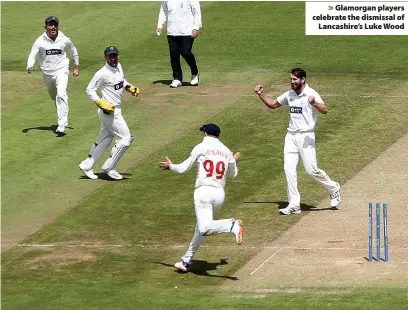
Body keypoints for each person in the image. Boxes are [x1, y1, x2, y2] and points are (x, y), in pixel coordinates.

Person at [254, 68, 341, 215]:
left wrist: (314, 104)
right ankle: (294, 204)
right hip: (291, 136)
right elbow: (274, 104)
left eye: (295, 79)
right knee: (289, 170)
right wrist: (260, 94)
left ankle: (333, 188)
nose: (292, 82)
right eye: (291, 79)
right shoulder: (290, 94)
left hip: (306, 136)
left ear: (303, 80)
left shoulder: (311, 94)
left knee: (311, 170)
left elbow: (325, 110)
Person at [158, 123, 243, 272]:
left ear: (205, 134)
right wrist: (232, 161)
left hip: (203, 192)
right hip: (219, 194)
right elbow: (233, 174)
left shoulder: (200, 147)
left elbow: (184, 168)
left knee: (204, 228)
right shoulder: (226, 151)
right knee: (200, 228)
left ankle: (232, 225)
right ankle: (186, 261)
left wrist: (171, 166)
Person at [78, 46, 140, 180]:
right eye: (110, 56)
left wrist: (129, 87)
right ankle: (109, 167)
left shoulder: (119, 67)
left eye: (115, 56)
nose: (113, 58)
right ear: (105, 57)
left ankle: (87, 165)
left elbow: (121, 82)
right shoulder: (102, 73)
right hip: (109, 111)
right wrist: (100, 102)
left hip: (117, 109)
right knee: (125, 139)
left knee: (105, 139)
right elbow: (89, 89)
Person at [26, 16, 80, 134]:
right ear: (46, 27)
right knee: (55, 97)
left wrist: (76, 67)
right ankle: (62, 112)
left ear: (58, 26)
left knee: (61, 95)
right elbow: (33, 54)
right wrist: (30, 65)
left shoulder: (64, 39)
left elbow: (73, 51)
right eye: (50, 25)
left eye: (55, 25)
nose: (53, 27)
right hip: (47, 74)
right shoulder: (40, 41)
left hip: (62, 71)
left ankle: (62, 124)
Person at [156, 1, 202, 88]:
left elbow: (196, 10)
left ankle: (195, 71)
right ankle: (177, 78)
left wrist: (196, 27)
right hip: (172, 30)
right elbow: (163, 10)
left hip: (187, 31)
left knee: (185, 52)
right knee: (174, 55)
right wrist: (160, 25)